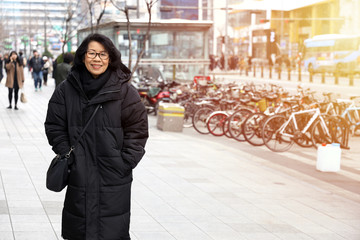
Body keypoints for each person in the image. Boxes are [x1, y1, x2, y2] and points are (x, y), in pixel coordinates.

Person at [44, 33, 149, 240]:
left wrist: (124, 162)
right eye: (92, 53)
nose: (97, 59)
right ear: (83, 56)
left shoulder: (125, 92)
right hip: (79, 175)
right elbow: (54, 125)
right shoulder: (67, 90)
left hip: (114, 178)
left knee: (111, 232)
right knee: (80, 231)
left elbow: (138, 130)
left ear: (111, 58)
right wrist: (69, 155)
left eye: (103, 54)